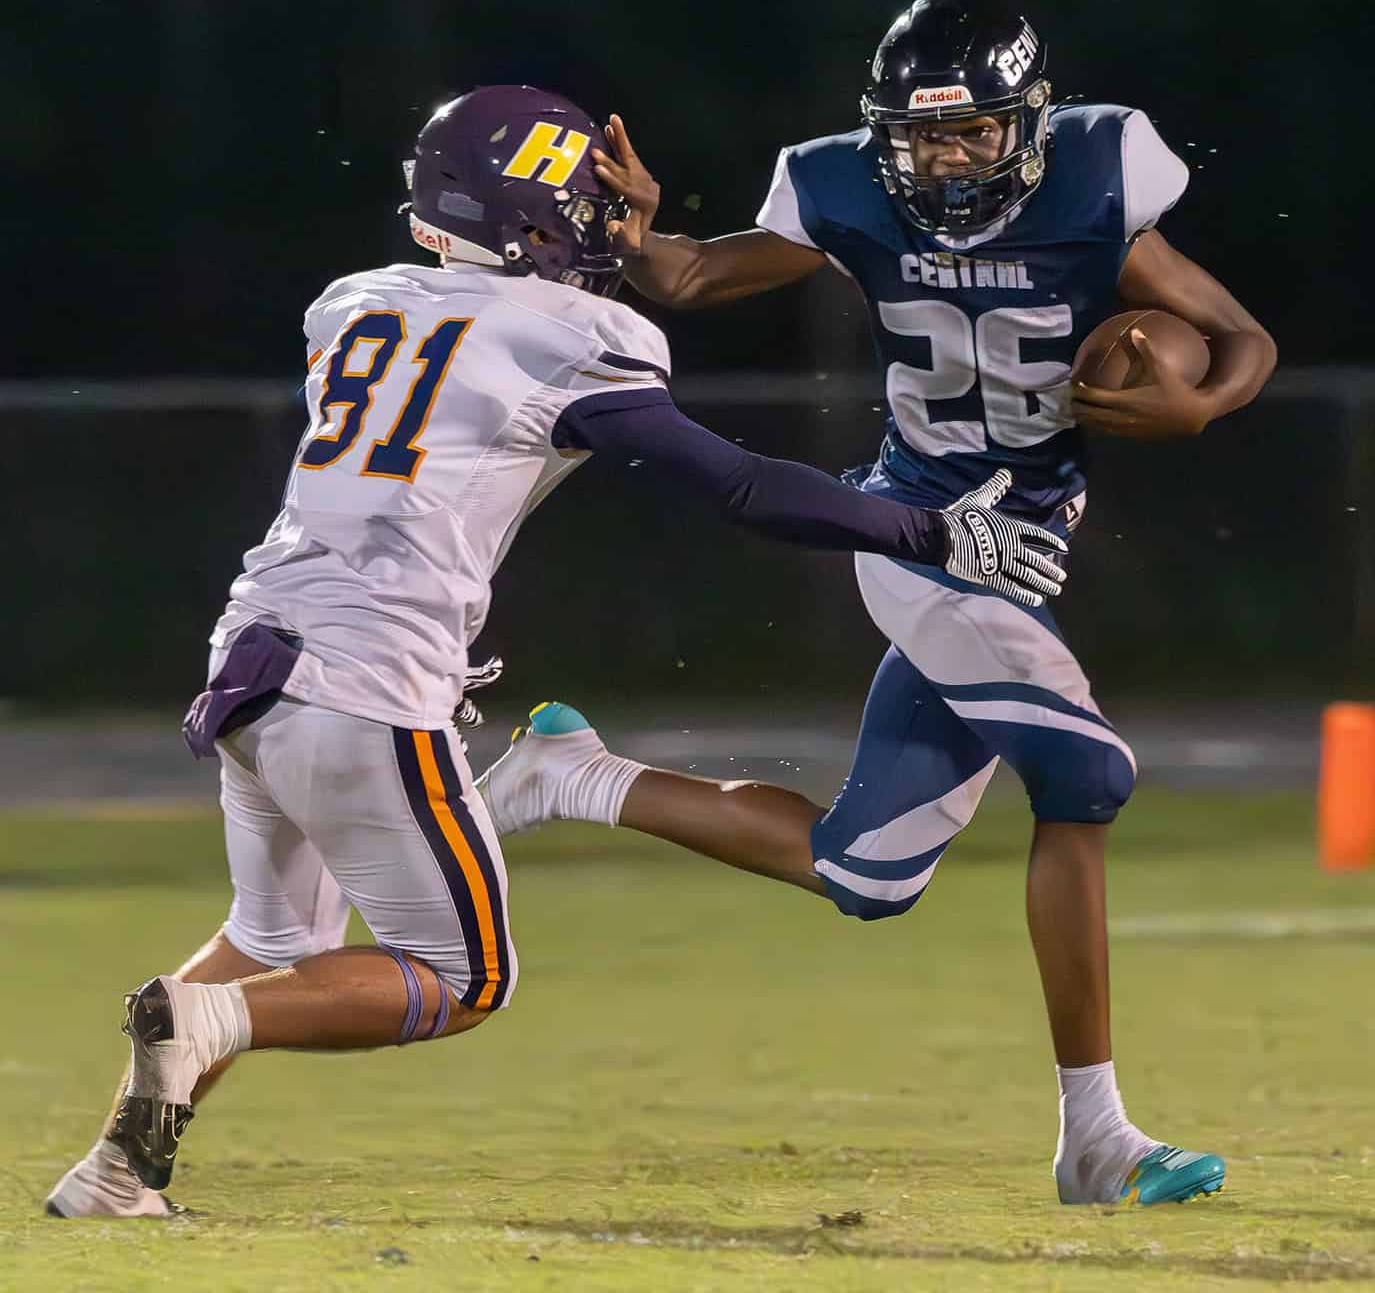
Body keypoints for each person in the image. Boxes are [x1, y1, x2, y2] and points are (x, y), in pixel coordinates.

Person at [44, 83, 1066, 1218]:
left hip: (252, 655)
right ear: (530, 218)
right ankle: (206, 1022)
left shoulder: (353, 302)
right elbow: (732, 483)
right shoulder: (576, 335)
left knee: (272, 935)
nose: (598, 224)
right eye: (579, 202)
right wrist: (933, 528)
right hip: (369, 680)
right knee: (463, 975)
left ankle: (112, 1172)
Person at [476, 0, 1277, 1206]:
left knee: (864, 873)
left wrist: (1203, 400)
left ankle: (575, 774)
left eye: (970, 134)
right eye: (921, 136)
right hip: (920, 536)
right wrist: (639, 235)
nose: (945, 159)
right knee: (1087, 775)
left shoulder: (1098, 178)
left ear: (1033, 123)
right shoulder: (843, 186)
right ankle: (1097, 1138)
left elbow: (1239, 334)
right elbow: (692, 276)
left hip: (1019, 545)